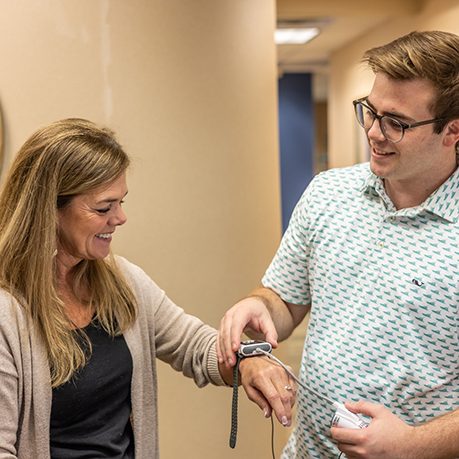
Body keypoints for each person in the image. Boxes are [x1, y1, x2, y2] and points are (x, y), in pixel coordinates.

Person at [217, 30, 459, 459]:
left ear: (452, 131)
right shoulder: (328, 193)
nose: (374, 132)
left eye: (396, 123)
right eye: (369, 111)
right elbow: (284, 303)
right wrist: (259, 307)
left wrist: (414, 444)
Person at [0, 118, 296, 459]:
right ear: (50, 210)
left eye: (121, 201)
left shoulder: (123, 281)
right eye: (104, 207)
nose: (120, 217)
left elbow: (193, 345)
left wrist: (248, 361)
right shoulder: (9, 315)